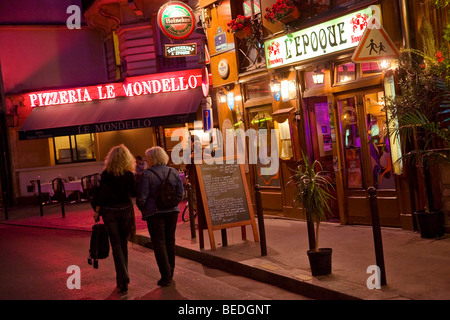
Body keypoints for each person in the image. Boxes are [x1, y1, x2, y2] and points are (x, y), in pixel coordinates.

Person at [92, 144, 137, 293]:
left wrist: (97, 210)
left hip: (109, 211)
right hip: (125, 210)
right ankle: (123, 277)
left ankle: (122, 278)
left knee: (116, 244)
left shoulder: (106, 174)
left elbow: (100, 194)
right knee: (123, 243)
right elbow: (134, 193)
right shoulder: (129, 174)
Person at [136, 146, 184, 287]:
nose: (146, 160)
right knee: (170, 240)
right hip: (172, 211)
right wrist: (173, 203)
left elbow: (142, 197)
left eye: (148, 158)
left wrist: (144, 209)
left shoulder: (147, 174)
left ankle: (165, 275)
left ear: (152, 158)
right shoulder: (173, 171)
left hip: (155, 213)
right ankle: (171, 270)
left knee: (159, 243)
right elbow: (180, 192)